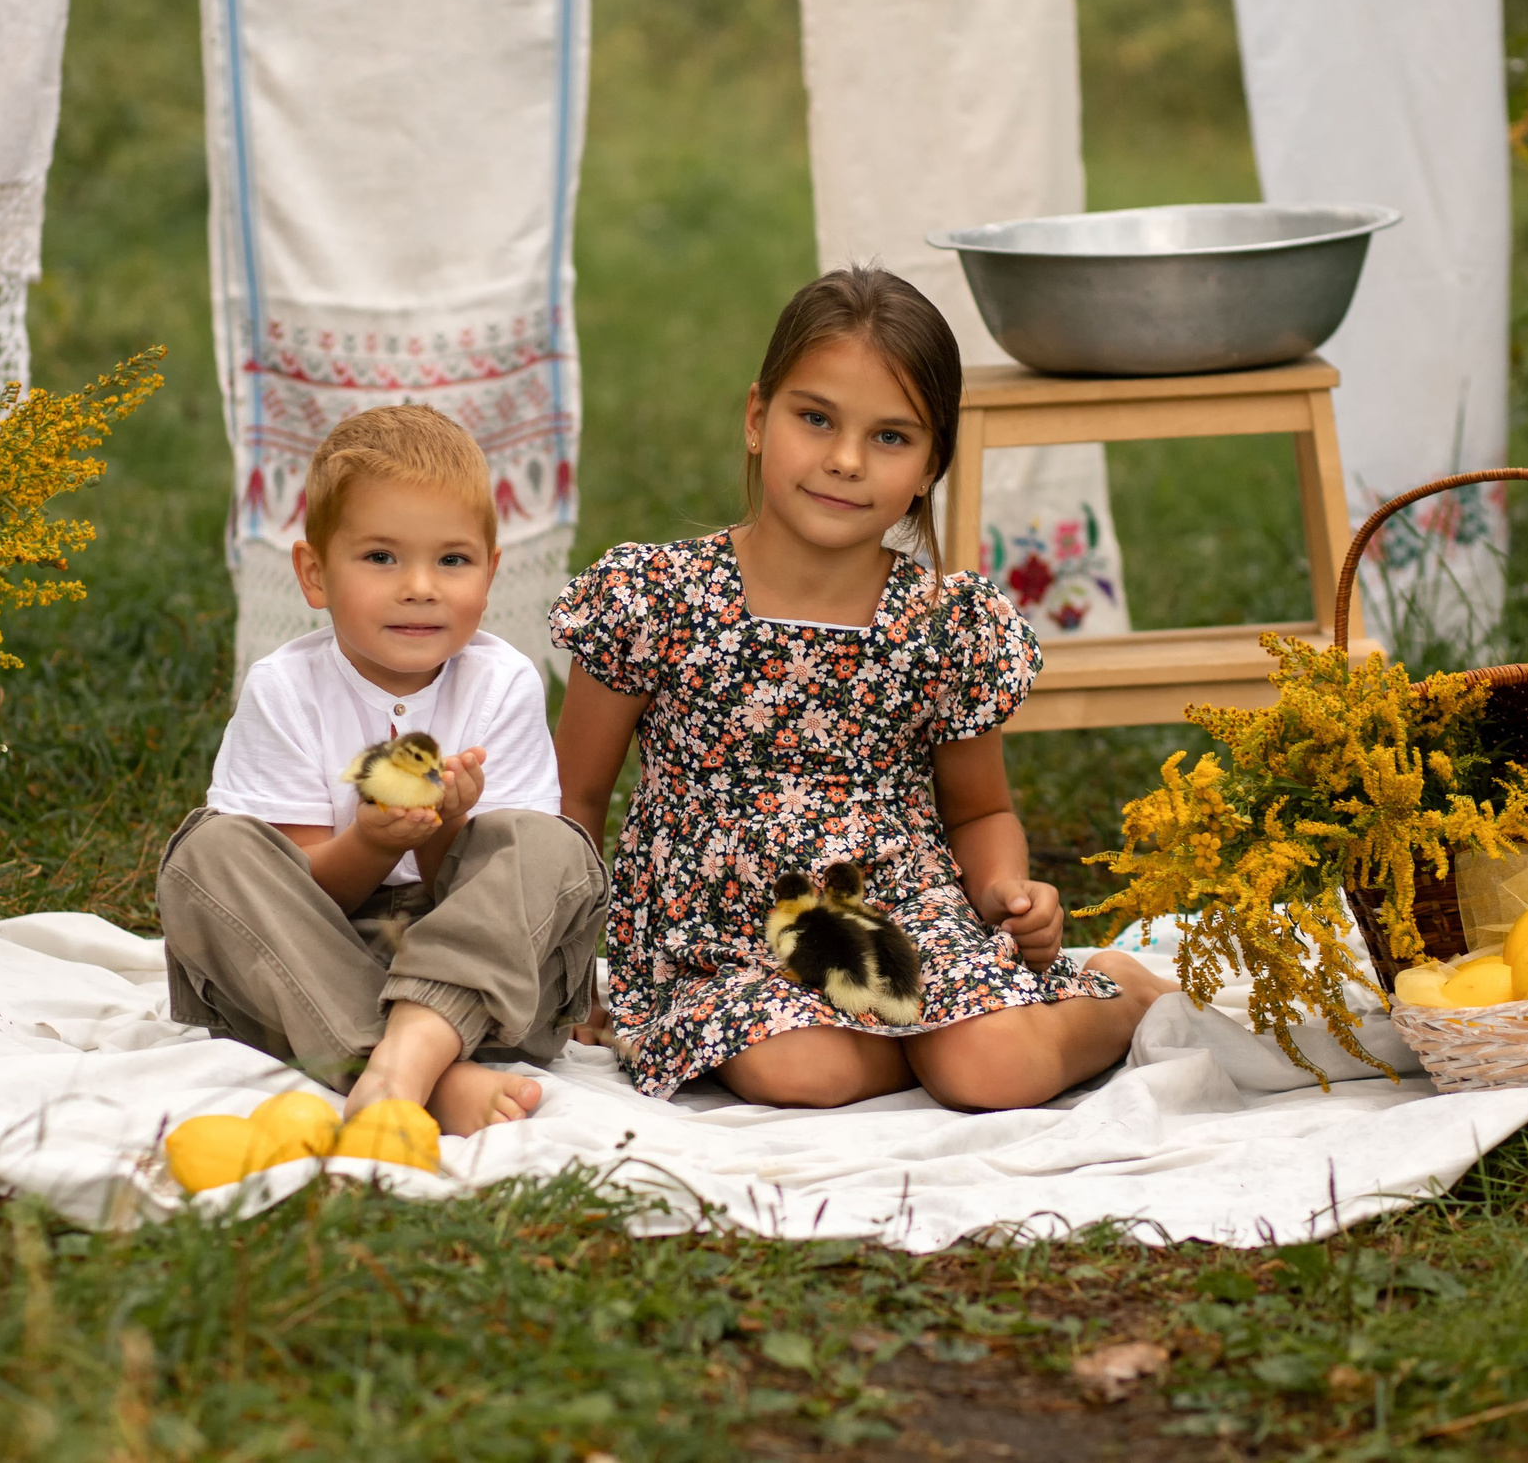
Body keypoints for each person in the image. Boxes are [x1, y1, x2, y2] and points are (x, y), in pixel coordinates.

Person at [548, 267, 1173, 1110]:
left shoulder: (942, 623)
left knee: (996, 1072)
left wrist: (1006, 893)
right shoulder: (654, 597)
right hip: (721, 938)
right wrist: (568, 965)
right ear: (757, 418)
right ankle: (936, 1042)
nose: (844, 460)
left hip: (900, 912)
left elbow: (980, 811)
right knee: (796, 1070)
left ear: (929, 466)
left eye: (890, 436)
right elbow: (574, 800)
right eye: (816, 419)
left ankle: (1113, 995)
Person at [155, 404, 605, 1157]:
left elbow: (501, 895)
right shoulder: (286, 688)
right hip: (319, 957)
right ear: (315, 574)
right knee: (208, 853)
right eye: (381, 558)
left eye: (452, 560)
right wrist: (370, 840)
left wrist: (444, 831)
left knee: (552, 847)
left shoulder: (502, 682)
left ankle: (404, 1055)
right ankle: (418, 1073)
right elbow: (304, 892)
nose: (420, 587)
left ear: (492, 574)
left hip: (481, 975)